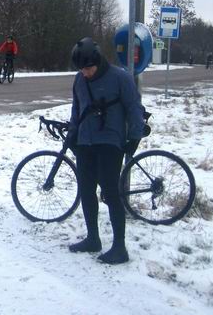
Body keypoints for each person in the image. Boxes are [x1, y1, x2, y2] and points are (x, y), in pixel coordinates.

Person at [66, 37, 146, 265]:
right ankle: (93, 238)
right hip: (85, 141)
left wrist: (135, 138)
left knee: (111, 193)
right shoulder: (79, 80)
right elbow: (77, 109)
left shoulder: (120, 78)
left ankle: (119, 248)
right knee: (86, 190)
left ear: (98, 61)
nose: (86, 73)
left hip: (110, 142)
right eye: (81, 69)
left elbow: (134, 107)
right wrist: (73, 134)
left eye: (89, 68)